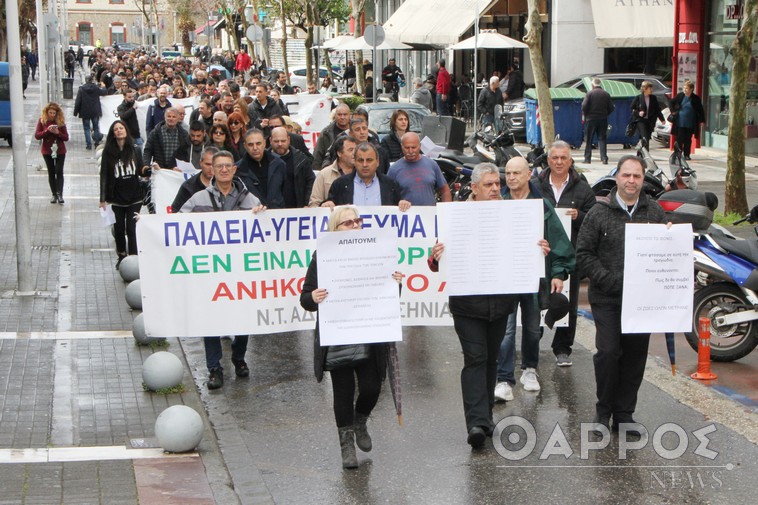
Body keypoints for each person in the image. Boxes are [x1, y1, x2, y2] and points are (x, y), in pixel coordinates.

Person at [300, 205, 404, 469]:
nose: (356, 226)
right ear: (336, 229)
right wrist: (313, 297)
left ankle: (360, 420)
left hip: (369, 332)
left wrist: (395, 285)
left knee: (372, 387)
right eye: (348, 223)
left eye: (358, 221)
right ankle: (346, 444)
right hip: (338, 334)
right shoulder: (322, 256)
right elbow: (306, 298)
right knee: (343, 393)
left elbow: (387, 298)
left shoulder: (375, 253)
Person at [427, 163, 518, 448]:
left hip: (500, 303)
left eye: (496, 184)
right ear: (475, 188)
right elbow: (434, 263)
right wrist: (435, 257)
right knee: (476, 358)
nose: (495, 189)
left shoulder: (512, 215)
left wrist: (537, 249)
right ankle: (476, 423)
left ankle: (486, 416)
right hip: (467, 305)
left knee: (491, 358)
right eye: (488, 185)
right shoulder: (454, 216)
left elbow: (523, 249)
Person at [576, 155, 667, 432]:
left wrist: (671, 237)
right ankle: (603, 412)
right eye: (626, 175)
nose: (631, 181)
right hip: (607, 298)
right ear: (617, 177)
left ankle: (624, 414)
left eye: (637, 176)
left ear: (643, 180)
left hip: (641, 302)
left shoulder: (654, 212)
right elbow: (584, 254)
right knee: (608, 352)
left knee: (635, 356)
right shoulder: (598, 212)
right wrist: (608, 280)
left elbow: (666, 254)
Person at [181, 150, 263, 390]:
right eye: (220, 167)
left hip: (240, 271)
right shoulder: (197, 200)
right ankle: (214, 368)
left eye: (229, 166)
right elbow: (175, 225)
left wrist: (262, 215)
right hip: (211, 272)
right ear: (211, 170)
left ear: (234, 170)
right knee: (211, 320)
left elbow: (265, 231)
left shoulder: (251, 201)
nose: (224, 170)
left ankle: (238, 357)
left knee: (244, 318)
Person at [495, 157, 575, 401]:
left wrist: (559, 272)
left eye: (516, 173)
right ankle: (503, 378)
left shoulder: (542, 206)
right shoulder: (498, 203)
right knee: (506, 331)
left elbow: (559, 240)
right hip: (506, 279)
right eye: (508, 173)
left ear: (528, 174)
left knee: (532, 328)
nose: (511, 178)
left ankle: (530, 369)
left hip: (534, 279)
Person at [532, 140, 596, 367]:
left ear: (570, 161)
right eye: (554, 158)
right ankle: (533, 344)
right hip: (541, 254)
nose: (559, 162)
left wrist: (579, 215)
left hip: (572, 255)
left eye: (563, 158)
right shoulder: (535, 185)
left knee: (568, 303)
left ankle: (562, 349)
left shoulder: (582, 188)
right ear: (548, 160)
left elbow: (594, 218)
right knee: (537, 299)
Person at [99, 120, 144, 269]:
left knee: (131, 229)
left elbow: (141, 169)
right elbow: (104, 175)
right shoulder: (108, 152)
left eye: (121, 128)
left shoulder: (135, 150)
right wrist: (102, 199)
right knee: (119, 229)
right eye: (116, 129)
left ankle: (133, 258)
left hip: (134, 196)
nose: (119, 131)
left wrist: (149, 170)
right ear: (113, 133)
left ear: (126, 130)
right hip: (117, 197)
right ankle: (121, 254)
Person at [325, 142, 410, 210]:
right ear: (354, 162)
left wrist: (403, 204)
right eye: (360, 160)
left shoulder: (390, 185)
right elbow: (330, 206)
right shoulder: (340, 184)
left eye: (369, 160)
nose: (365, 164)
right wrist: (327, 205)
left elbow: (398, 209)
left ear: (377, 162)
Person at [387, 132, 451, 205]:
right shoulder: (394, 169)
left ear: (420, 146)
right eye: (407, 148)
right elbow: (387, 195)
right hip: (405, 215)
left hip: (429, 214)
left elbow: (445, 190)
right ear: (402, 147)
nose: (410, 151)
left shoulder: (432, 164)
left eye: (414, 147)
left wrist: (445, 211)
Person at [235, 128, 287, 208]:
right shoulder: (238, 170)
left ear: (264, 143)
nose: (255, 148)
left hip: (277, 215)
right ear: (245, 146)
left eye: (258, 143)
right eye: (250, 144)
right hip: (252, 216)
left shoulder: (279, 164)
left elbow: (287, 192)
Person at [269, 126, 315, 208]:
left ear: (289, 140)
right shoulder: (263, 160)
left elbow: (310, 181)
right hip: (270, 212)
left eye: (283, 141)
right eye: (276, 141)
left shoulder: (301, 159)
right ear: (270, 141)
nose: (280, 144)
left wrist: (306, 203)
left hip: (296, 210)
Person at [35, 103, 69, 204]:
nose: (52, 115)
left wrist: (58, 133)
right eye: (50, 113)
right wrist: (47, 131)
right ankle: (54, 194)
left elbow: (66, 137)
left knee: (59, 171)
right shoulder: (42, 121)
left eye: (54, 113)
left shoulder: (60, 122)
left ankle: (60, 194)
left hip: (60, 150)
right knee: (51, 172)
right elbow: (37, 135)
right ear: (47, 112)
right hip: (47, 150)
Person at [310, 136, 357, 208]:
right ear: (339, 153)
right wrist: (323, 206)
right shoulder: (324, 174)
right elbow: (314, 203)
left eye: (356, 150)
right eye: (350, 150)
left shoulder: (362, 174)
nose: (354, 153)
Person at [142, 107, 191, 171]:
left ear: (178, 118)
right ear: (165, 117)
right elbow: (148, 150)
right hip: (159, 170)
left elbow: (186, 153)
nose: (171, 119)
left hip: (176, 170)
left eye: (174, 117)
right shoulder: (155, 132)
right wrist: (146, 165)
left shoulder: (184, 134)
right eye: (169, 116)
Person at [171, 146, 217, 213]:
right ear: (201, 163)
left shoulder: (225, 184)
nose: (211, 168)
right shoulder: (188, 187)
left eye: (214, 165)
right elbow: (175, 212)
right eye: (208, 164)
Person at [669, 80, 705, 160]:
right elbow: (671, 102)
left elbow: (700, 110)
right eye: (684, 88)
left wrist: (702, 120)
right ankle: (678, 154)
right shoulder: (680, 96)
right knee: (679, 139)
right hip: (680, 122)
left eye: (687, 88)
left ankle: (687, 154)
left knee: (688, 140)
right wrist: (673, 111)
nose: (685, 90)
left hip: (690, 123)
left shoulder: (695, 98)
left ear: (691, 89)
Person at [582, 78, 614, 164]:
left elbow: (584, 106)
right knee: (602, 139)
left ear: (592, 85)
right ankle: (604, 158)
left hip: (591, 119)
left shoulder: (589, 93)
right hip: (603, 119)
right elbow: (611, 107)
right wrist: (605, 114)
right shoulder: (606, 94)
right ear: (600, 84)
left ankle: (587, 159)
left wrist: (587, 114)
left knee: (589, 139)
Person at [73, 74, 108, 150]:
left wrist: (75, 112)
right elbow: (104, 92)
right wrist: (104, 86)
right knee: (96, 127)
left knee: (86, 128)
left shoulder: (81, 89)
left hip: (85, 111)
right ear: (92, 80)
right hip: (95, 111)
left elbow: (78, 101)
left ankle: (88, 144)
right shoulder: (95, 88)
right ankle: (96, 143)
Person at [313, 103, 351, 171]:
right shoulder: (326, 133)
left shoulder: (356, 130)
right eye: (339, 114)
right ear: (335, 115)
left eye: (345, 114)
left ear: (350, 115)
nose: (342, 117)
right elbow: (318, 155)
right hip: (332, 171)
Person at [631, 81, 664, 149]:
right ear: (645, 89)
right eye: (650, 88)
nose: (651, 90)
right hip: (641, 120)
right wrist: (638, 113)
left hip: (650, 121)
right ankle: (645, 154)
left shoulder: (653, 98)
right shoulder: (638, 98)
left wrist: (662, 119)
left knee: (647, 138)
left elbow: (657, 109)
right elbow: (632, 108)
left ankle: (642, 153)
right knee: (644, 137)